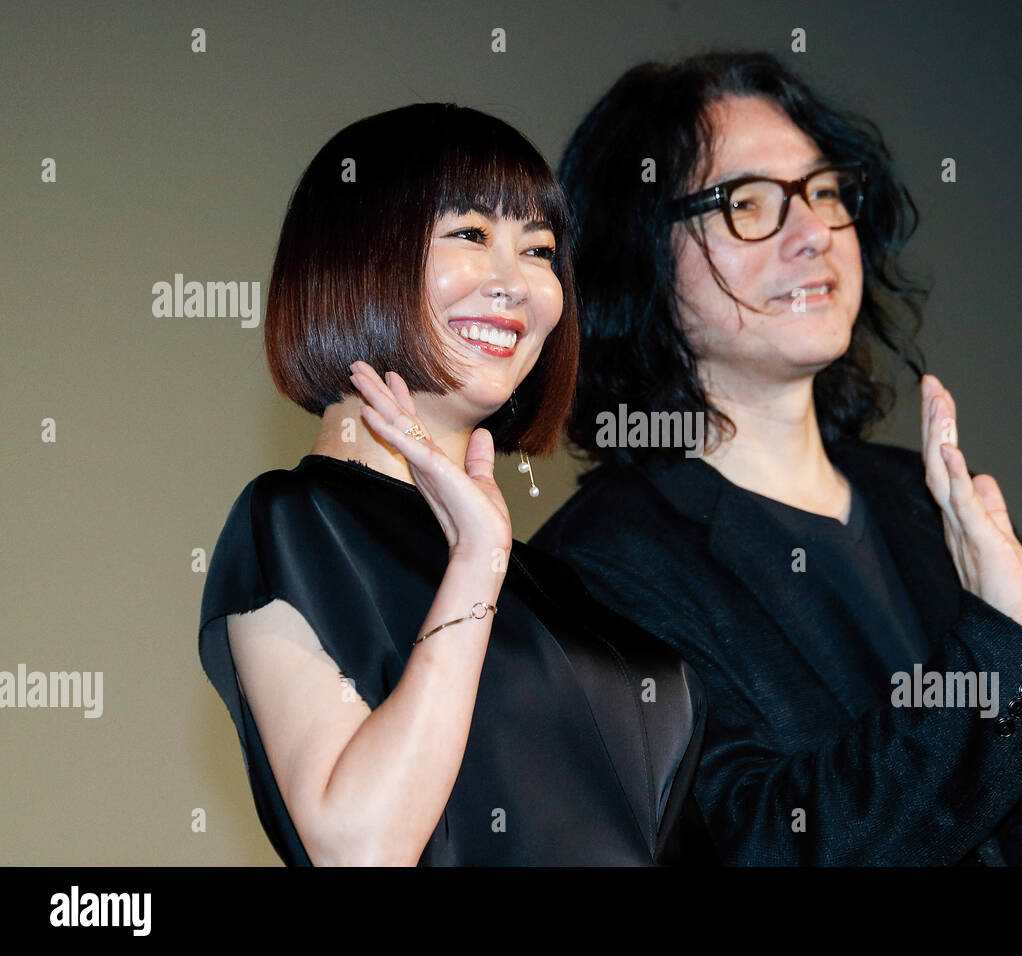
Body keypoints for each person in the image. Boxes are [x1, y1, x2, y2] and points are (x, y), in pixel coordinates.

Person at [531, 52, 1022, 865]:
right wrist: (1004, 651)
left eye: (825, 191)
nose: (813, 235)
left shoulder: (927, 498)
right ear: (639, 255)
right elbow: (760, 849)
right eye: (749, 204)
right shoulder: (596, 571)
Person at [197, 103, 712, 866]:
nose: (518, 284)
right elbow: (361, 847)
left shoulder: (556, 580)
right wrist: (474, 567)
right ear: (358, 257)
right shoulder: (296, 523)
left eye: (540, 251)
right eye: (471, 234)